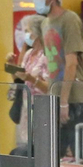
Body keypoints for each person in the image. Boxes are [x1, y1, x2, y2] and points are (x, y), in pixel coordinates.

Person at [32, 0, 83, 160]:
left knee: (80, 157)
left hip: (75, 100)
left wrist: (64, 101)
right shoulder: (44, 23)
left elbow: (71, 63)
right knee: (53, 157)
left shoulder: (69, 20)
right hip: (55, 98)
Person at [9, 13, 50, 150]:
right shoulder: (28, 54)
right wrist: (11, 66)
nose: (25, 35)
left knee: (40, 148)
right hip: (26, 108)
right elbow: (20, 80)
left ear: (37, 33)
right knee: (28, 146)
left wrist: (32, 79)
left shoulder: (47, 56)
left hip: (41, 109)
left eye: (28, 31)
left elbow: (50, 88)